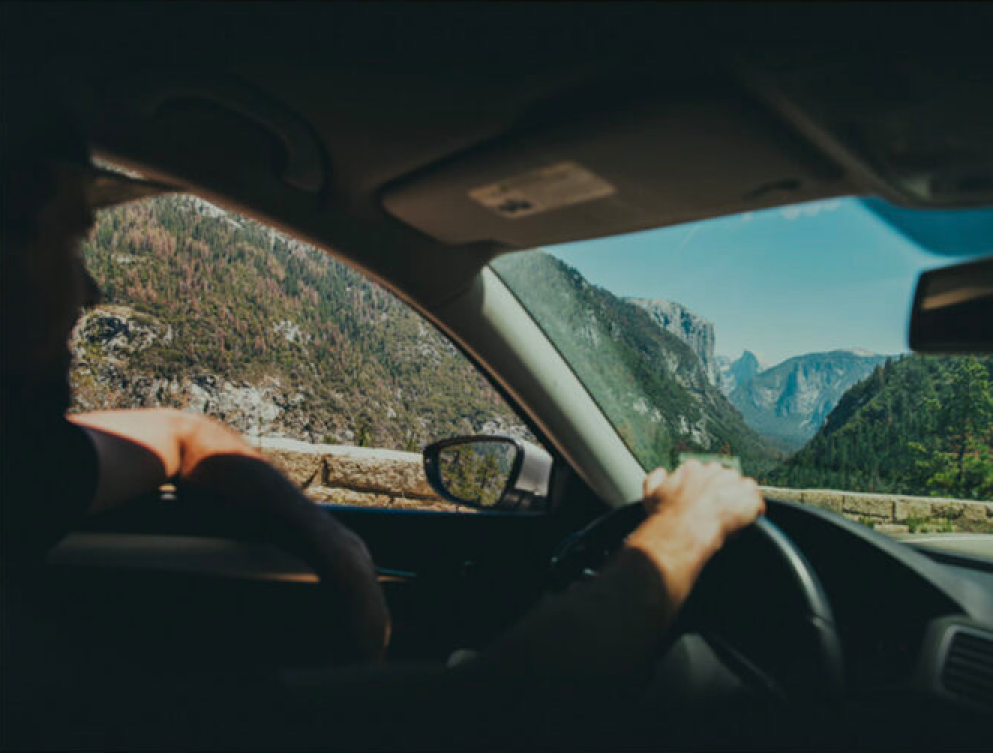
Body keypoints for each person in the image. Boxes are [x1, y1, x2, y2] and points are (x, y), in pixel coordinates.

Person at [1, 84, 765, 750]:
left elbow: (182, 432)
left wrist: (338, 545)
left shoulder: (26, 466)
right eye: (71, 239)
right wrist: (689, 521)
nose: (92, 290)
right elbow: (501, 706)